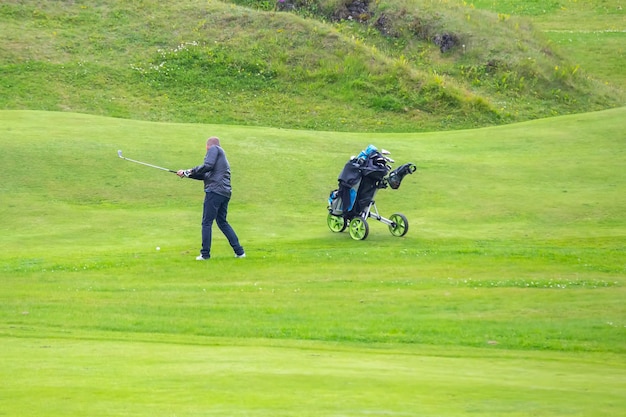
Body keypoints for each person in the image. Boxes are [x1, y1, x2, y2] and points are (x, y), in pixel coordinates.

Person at [177, 137, 245, 260]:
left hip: (214, 191)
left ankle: (205, 254)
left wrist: (189, 170)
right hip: (224, 193)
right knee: (222, 222)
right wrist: (187, 175)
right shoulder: (220, 158)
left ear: (207, 146)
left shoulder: (214, 149)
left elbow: (207, 166)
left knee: (206, 222)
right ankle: (239, 252)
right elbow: (205, 175)